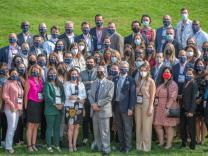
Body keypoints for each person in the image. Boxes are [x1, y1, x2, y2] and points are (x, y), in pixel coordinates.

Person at [88, 66, 114, 156]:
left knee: (105, 131)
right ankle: (99, 147)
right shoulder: (94, 83)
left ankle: (106, 149)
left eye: (101, 71)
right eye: (98, 71)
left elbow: (109, 97)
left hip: (104, 110)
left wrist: (98, 104)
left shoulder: (110, 83)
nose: (100, 73)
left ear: (105, 72)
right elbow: (90, 95)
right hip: (94, 110)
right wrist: (93, 104)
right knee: (96, 130)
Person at [112, 61, 136, 153]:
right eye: (122, 67)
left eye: (125, 67)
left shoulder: (131, 80)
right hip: (116, 106)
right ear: (119, 67)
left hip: (126, 108)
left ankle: (128, 147)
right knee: (119, 127)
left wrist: (131, 108)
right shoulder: (115, 78)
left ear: (128, 68)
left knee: (127, 128)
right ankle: (122, 146)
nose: (123, 68)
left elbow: (133, 96)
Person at [154, 66, 179, 149]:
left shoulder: (173, 84)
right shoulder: (161, 83)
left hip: (168, 107)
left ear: (171, 74)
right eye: (165, 72)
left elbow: (172, 97)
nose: (166, 74)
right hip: (159, 107)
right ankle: (161, 142)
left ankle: (169, 144)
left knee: (168, 126)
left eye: (168, 72)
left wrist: (167, 108)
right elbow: (157, 94)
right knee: (157, 125)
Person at [64, 68, 86, 152]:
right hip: (70, 107)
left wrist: (76, 98)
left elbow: (84, 95)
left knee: (77, 127)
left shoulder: (81, 84)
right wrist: (79, 99)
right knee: (71, 127)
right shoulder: (67, 84)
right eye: (72, 74)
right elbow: (68, 96)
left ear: (78, 75)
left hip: (79, 108)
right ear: (70, 75)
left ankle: (74, 144)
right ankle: (70, 144)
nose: (74, 75)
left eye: (75, 74)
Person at [135, 62, 156, 151]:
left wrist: (151, 107)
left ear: (148, 71)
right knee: (138, 125)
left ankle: (146, 146)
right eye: (141, 70)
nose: (142, 72)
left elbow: (152, 95)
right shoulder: (137, 80)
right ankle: (139, 145)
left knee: (146, 126)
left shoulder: (151, 81)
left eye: (144, 70)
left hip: (147, 103)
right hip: (137, 103)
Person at [44, 67, 65, 153]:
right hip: (50, 109)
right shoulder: (47, 84)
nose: (53, 75)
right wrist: (56, 105)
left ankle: (56, 145)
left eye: (54, 73)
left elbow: (63, 95)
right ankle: (49, 145)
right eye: (51, 73)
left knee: (57, 128)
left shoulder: (59, 84)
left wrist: (62, 104)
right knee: (49, 128)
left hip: (59, 109)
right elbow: (47, 96)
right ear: (48, 74)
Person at [2, 68, 24, 154]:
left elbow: (20, 96)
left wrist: (21, 108)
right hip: (10, 108)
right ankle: (8, 147)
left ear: (18, 74)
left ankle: (6, 143)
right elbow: (4, 96)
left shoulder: (18, 83)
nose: (14, 75)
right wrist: (11, 105)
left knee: (14, 128)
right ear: (10, 74)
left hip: (18, 108)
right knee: (11, 127)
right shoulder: (7, 83)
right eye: (12, 73)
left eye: (16, 73)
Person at [24, 64, 44, 152]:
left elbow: (41, 93)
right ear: (31, 71)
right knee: (30, 126)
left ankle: (33, 144)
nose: (35, 72)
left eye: (37, 70)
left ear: (39, 72)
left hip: (39, 105)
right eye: (33, 70)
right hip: (31, 104)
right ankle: (29, 146)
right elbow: (25, 95)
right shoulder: (28, 81)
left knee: (36, 126)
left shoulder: (40, 81)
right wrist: (25, 107)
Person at [80, 56, 97, 145]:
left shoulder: (98, 72)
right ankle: (85, 137)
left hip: (94, 99)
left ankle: (95, 137)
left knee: (93, 118)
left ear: (94, 63)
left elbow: (97, 83)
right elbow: (80, 84)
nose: (89, 64)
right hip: (85, 98)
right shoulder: (81, 73)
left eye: (91, 62)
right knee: (85, 118)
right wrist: (91, 83)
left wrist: (86, 83)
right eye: (88, 62)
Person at [180, 68, 198, 149]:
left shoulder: (194, 84)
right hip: (183, 108)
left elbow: (194, 98)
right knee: (183, 127)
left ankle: (193, 144)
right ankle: (184, 143)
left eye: (190, 74)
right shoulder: (185, 83)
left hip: (190, 109)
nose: (188, 75)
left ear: (193, 75)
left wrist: (191, 111)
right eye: (187, 74)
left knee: (191, 128)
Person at [194, 58, 207, 144]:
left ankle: (203, 139)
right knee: (196, 120)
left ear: (204, 65)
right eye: (198, 64)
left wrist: (201, 98)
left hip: (203, 101)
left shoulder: (206, 76)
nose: (200, 65)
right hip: (194, 101)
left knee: (203, 120)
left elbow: (207, 89)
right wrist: (195, 99)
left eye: (201, 64)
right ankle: (197, 138)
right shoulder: (194, 76)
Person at [0, 63, 8, 146]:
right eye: (2, 69)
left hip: (6, 104)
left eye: (6, 69)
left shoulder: (9, 79)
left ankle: (3, 139)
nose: (4, 70)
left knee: (5, 123)